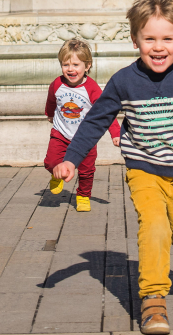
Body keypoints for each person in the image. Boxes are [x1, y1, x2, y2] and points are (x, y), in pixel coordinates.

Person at [53, 0, 173, 335]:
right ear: (135, 40)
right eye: (149, 39)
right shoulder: (123, 81)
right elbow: (95, 121)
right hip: (143, 169)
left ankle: (166, 249)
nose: (158, 47)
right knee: (154, 226)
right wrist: (71, 159)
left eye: (167, 38)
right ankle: (152, 302)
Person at [44, 38, 121, 212]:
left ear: (87, 66)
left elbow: (105, 111)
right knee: (50, 161)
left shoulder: (92, 88)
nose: (70, 69)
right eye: (65, 65)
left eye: (76, 65)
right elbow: (51, 100)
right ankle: (56, 174)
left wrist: (115, 133)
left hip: (85, 138)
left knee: (86, 171)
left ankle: (83, 196)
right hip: (61, 133)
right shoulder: (57, 84)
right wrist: (49, 114)